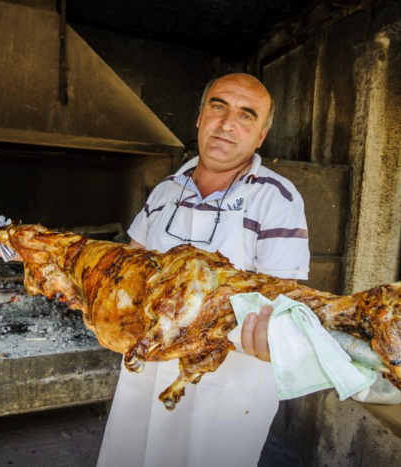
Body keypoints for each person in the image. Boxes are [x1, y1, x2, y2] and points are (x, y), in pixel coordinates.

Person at [96, 73, 310, 467]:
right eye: (218, 106)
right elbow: (127, 270)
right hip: (147, 364)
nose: (228, 124)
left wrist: (275, 333)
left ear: (261, 135)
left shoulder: (275, 197)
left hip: (223, 379)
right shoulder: (165, 191)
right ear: (199, 118)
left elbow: (281, 298)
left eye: (247, 115)